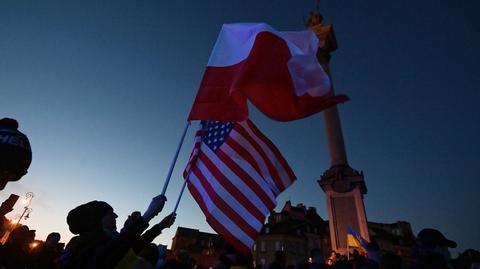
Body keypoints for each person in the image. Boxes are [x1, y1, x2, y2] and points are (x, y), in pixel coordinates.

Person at [57, 194, 168, 269]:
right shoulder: (78, 243)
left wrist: (160, 226)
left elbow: (131, 246)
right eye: (110, 213)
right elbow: (106, 257)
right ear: (98, 218)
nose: (116, 216)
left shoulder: (108, 239)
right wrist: (147, 216)